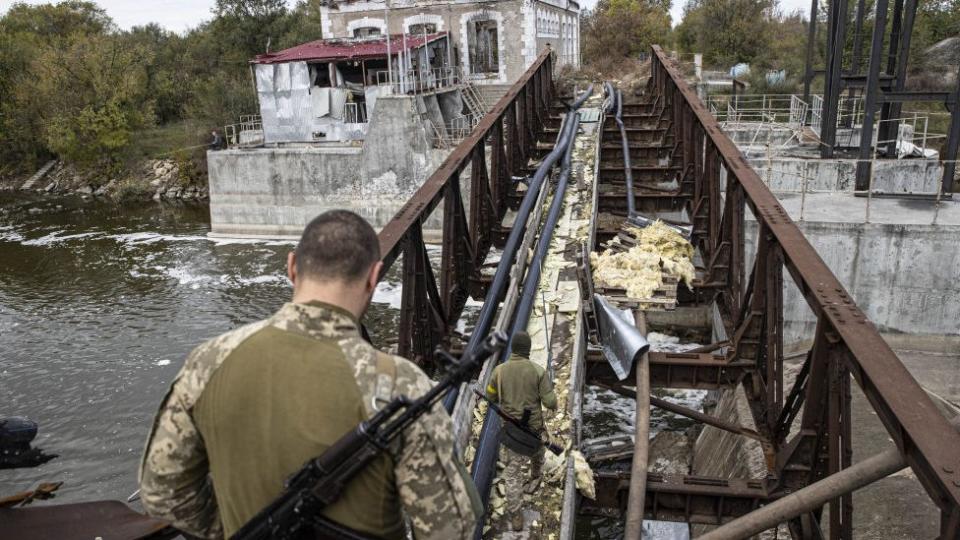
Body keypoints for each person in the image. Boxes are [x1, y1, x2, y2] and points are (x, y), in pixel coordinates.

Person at [139, 210, 481, 540]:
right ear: (374, 277)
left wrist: (232, 531)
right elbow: (451, 528)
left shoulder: (209, 361)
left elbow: (163, 494)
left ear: (290, 268)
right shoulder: (398, 383)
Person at [485, 331, 557, 532]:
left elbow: (491, 397)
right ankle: (536, 477)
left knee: (513, 475)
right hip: (534, 429)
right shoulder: (538, 371)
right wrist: (549, 389)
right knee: (539, 451)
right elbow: (551, 403)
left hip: (512, 433)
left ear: (513, 348)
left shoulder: (499, 371)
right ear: (528, 349)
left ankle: (516, 516)